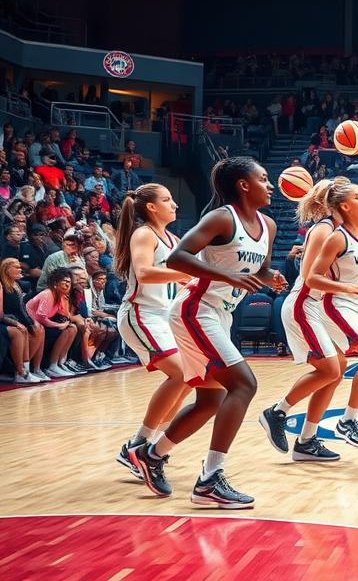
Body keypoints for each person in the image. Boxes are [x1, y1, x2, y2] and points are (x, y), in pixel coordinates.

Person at [130, 157, 285, 508]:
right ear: (244, 185)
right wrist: (226, 276)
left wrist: (268, 278)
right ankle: (209, 480)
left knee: (211, 400)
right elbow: (177, 258)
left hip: (219, 314)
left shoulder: (269, 225)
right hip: (194, 312)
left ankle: (152, 455)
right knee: (245, 384)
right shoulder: (221, 217)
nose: (270, 184)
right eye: (263, 178)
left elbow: (258, 269)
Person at [300, 180, 358, 448]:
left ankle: (305, 435)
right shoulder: (336, 237)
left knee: (335, 372)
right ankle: (348, 421)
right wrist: (347, 287)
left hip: (354, 305)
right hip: (334, 304)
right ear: (344, 206)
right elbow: (312, 279)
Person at [113, 185, 194, 480]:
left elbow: (183, 281)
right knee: (180, 373)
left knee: (190, 378)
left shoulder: (172, 238)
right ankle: (137, 446)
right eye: (167, 199)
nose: (174, 204)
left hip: (164, 315)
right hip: (140, 313)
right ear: (150, 207)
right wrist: (185, 274)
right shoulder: (144, 234)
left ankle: (142, 446)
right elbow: (145, 272)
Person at [263, 178, 345, 463]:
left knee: (338, 368)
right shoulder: (323, 230)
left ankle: (307, 440)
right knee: (330, 369)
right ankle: (277, 412)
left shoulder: (336, 230)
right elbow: (310, 276)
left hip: (318, 305)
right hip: (303, 303)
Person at [26, 267, 78, 378]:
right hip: (30, 324)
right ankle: (45, 367)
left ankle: (59, 363)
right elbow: (40, 317)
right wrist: (59, 325)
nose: (68, 285)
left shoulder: (61, 296)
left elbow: (66, 315)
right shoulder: (48, 294)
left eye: (69, 282)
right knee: (63, 330)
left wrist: (67, 321)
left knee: (72, 328)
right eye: (65, 282)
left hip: (42, 325)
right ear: (55, 283)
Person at [1, 258, 46, 382]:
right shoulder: (2, 285)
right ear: (6, 269)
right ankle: (20, 371)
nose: (20, 269)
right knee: (22, 330)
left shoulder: (17, 284)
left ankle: (33, 369)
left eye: (20, 266)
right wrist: (19, 323)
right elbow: (2, 314)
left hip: (15, 317)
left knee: (39, 328)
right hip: (6, 319)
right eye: (16, 267)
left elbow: (22, 308)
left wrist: (31, 321)